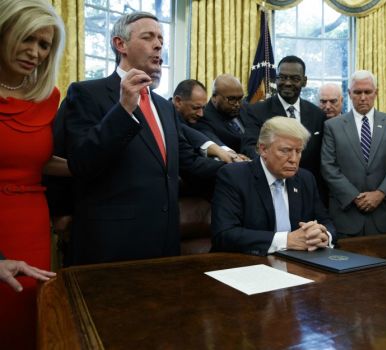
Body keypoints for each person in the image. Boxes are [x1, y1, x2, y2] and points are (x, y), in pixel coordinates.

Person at [62, 12, 222, 265]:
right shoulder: (86, 94)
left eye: (160, 38)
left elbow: (187, 162)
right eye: (148, 37)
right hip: (111, 245)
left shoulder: (165, 107)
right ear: (120, 44)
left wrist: (248, 170)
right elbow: (81, 162)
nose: (158, 45)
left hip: (166, 243)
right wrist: (123, 109)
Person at [0, 0, 68, 347]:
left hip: (31, 224)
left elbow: (33, 159)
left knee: (26, 320)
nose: (35, 52)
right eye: (27, 38)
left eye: (44, 45)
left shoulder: (48, 97)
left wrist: (88, 168)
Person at [212, 117, 335, 255]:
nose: (294, 159)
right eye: (285, 150)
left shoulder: (305, 179)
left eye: (298, 151)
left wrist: (323, 236)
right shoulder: (234, 176)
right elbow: (224, 235)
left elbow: (326, 222)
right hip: (247, 265)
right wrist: (286, 240)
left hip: (298, 263)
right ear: (263, 149)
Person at [321, 70, 386, 238]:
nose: (363, 97)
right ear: (349, 94)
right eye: (357, 92)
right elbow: (328, 167)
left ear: (376, 93)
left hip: (384, 215)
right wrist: (354, 197)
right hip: (346, 216)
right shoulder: (333, 126)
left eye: (367, 92)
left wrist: (380, 193)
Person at [241, 55, 326, 185]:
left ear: (304, 81)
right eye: (282, 77)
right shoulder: (257, 111)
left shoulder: (318, 114)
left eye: (295, 79)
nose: (287, 83)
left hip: (308, 188)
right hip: (270, 183)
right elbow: (250, 148)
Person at [172, 79, 245, 163]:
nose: (201, 114)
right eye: (196, 108)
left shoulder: (194, 118)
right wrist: (227, 161)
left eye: (203, 107)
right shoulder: (167, 118)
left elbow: (204, 134)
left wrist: (226, 152)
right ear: (178, 101)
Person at [196, 74, 249, 154]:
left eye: (240, 98)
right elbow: (215, 145)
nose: (237, 104)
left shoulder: (244, 107)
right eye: (231, 99)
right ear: (214, 97)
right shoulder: (204, 118)